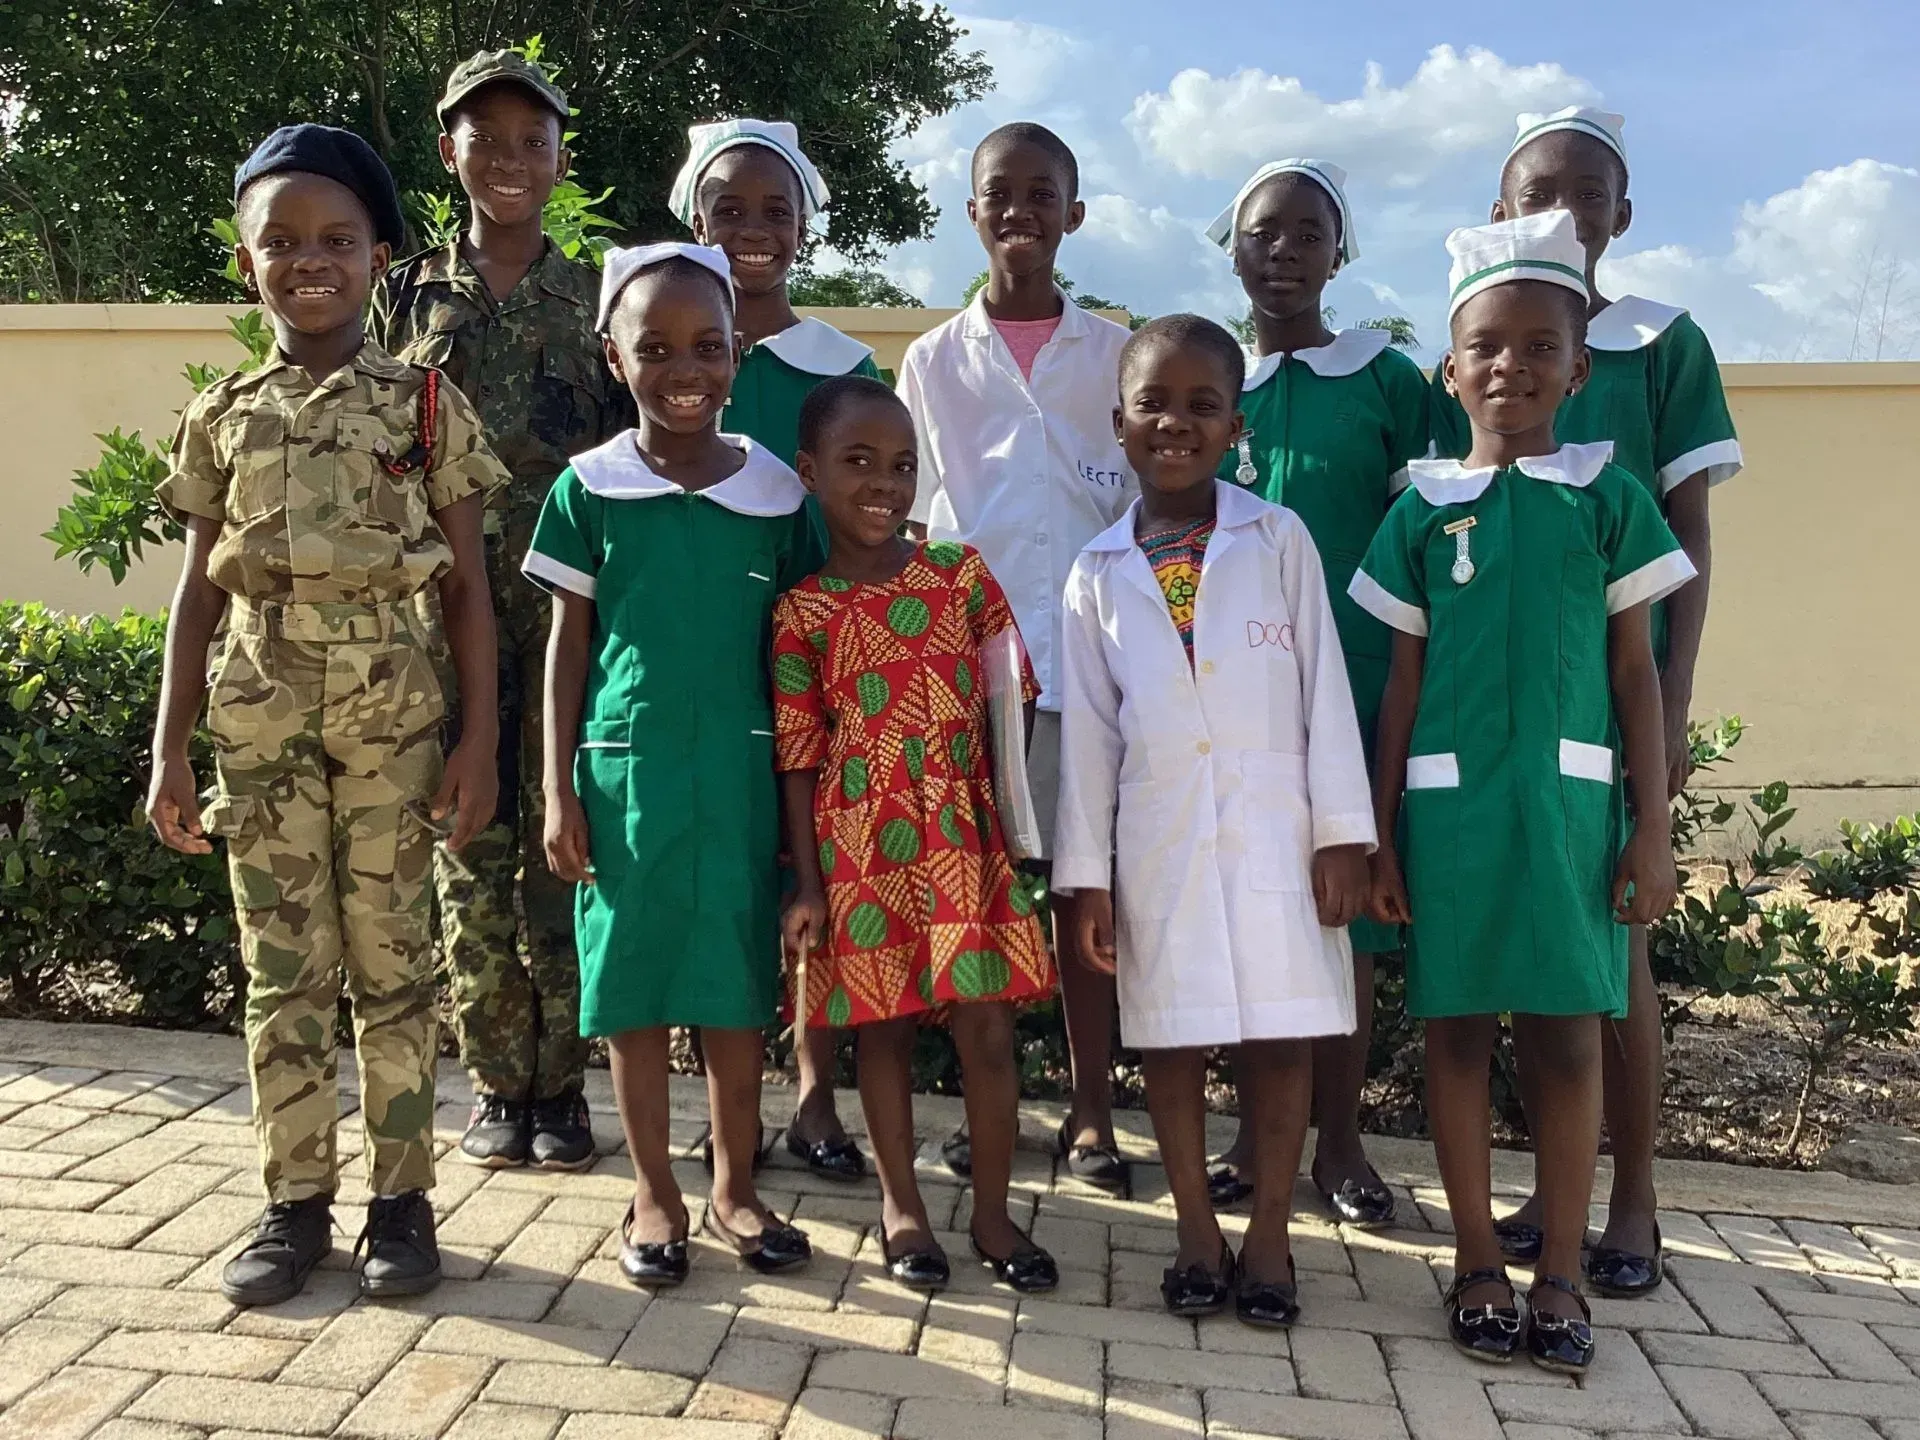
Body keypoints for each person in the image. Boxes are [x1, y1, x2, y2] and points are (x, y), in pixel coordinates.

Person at [146, 124, 506, 1306]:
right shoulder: (219, 414)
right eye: (282, 241)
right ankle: (293, 1204)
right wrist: (168, 753)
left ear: (379, 254)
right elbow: (197, 602)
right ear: (248, 262)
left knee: (395, 966)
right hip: (259, 725)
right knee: (281, 974)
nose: (310, 260)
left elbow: (466, 595)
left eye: (337, 240)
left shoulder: (425, 406)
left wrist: (478, 741)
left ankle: (400, 1201)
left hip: (390, 719)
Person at [1352, 211, 1693, 1373]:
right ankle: (1473, 1266)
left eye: (1540, 345)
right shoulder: (1419, 509)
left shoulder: (1608, 501)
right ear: (1451, 371)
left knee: (1564, 1036)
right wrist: (1382, 834)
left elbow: (1634, 675)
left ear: (1578, 367)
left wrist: (1650, 830)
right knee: (1453, 1035)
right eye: (1486, 347)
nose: (1512, 366)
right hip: (1449, 822)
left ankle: (1556, 1268)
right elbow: (1397, 688)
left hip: (1567, 819)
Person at [1427, 107, 1740, 1297]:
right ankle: (1542, 1194)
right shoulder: (1473, 342)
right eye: (1532, 195)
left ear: (1623, 213)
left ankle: (1636, 1201)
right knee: (1517, 949)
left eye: (1584, 193)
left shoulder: (1662, 346)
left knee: (1613, 957)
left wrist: (1675, 682)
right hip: (1489, 713)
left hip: (1608, 695)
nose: (1558, 213)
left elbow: (1693, 528)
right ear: (1498, 212)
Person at [1055, 314, 1375, 1326]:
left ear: (1236, 426)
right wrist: (1089, 875)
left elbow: (1327, 691)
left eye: (1202, 406)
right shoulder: (1094, 572)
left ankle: (1271, 1236)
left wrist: (1342, 835)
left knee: (1283, 1038)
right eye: (1154, 403)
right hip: (1159, 841)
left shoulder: (1277, 538)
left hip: (1279, 831)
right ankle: (1196, 1229)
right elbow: (1090, 742)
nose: (1176, 424)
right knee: (1174, 1037)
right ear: (1120, 422)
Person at [526, 242, 818, 1287]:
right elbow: (569, 646)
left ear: (739, 354)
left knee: (737, 990)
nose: (682, 367)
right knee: (636, 986)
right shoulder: (588, 490)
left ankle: (736, 1184)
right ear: (615, 357)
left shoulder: (781, 496)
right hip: (626, 782)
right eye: (655, 347)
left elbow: (800, 650)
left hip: (739, 786)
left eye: (707, 345)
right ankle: (655, 1191)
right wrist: (558, 786)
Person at [373, 48, 631, 1173]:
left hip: (569, 600)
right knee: (463, 833)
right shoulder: (404, 293)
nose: (513, 159)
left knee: (561, 830)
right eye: (488, 138)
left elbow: (631, 454)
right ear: (450, 154)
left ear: (561, 158)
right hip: (444, 598)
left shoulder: (600, 297)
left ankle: (562, 1088)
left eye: (535, 139)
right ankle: (493, 1084)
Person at [773, 376, 1061, 1293]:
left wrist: (1016, 838)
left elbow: (1013, 703)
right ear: (810, 472)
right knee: (885, 1032)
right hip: (860, 848)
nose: (884, 485)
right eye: (858, 463)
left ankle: (990, 1213)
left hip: (960, 838)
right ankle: (903, 1207)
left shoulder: (960, 575)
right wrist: (808, 884)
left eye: (901, 467)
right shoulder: (802, 613)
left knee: (986, 1032)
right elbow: (798, 755)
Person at [897, 121, 1134, 1188]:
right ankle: (983, 1105)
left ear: (1075, 215)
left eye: (1045, 194)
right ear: (973, 212)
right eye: (1002, 192)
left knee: (1085, 892)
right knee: (974, 896)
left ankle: (1092, 1113)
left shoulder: (1116, 352)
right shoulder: (934, 361)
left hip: (1091, 666)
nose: (1023, 211)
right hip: (971, 671)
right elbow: (910, 513)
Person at [1201, 159, 1428, 1225]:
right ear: (1230, 247)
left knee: (1349, 923)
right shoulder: (1208, 379)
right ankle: (1255, 1136)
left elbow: (1422, 548)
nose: (1282, 252)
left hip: (1359, 688)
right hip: (1232, 701)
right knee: (1253, 910)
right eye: (1262, 232)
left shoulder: (1386, 382)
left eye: (1307, 233)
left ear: (1340, 253)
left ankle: (1340, 1146)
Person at [672, 116, 885, 1183]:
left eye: (776, 210)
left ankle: (814, 1090)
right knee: (725, 885)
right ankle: (729, 1103)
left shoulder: (840, 363)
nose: (752, 229)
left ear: (806, 226)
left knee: (818, 869)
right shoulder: (670, 349)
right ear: (694, 220)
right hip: (706, 664)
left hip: (819, 657)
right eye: (729, 208)